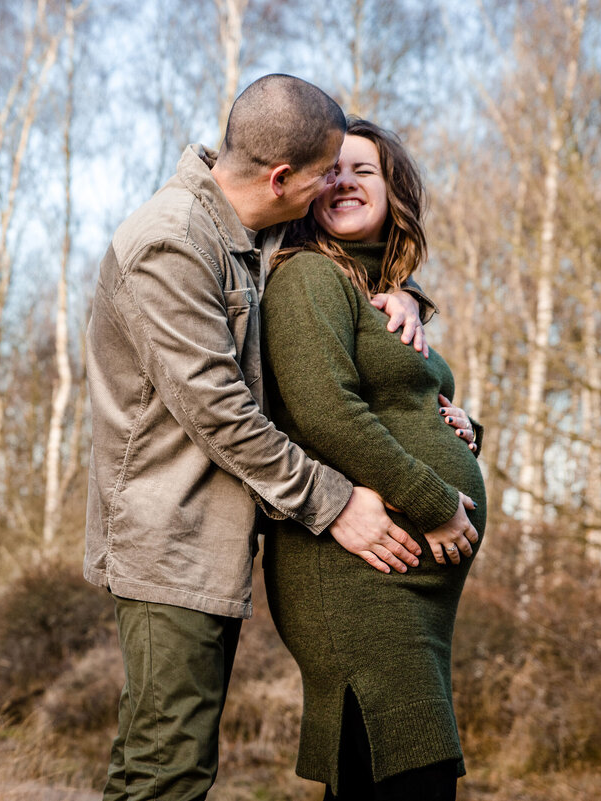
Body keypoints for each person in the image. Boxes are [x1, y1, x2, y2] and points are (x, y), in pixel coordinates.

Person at [84, 76, 438, 801]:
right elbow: (221, 413)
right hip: (169, 539)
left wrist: (405, 296)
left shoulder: (250, 226)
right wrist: (337, 504)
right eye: (321, 178)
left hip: (214, 539)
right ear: (281, 179)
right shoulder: (171, 243)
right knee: (166, 771)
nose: (329, 191)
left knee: (162, 759)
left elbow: (342, 267)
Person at [260, 118, 487, 801]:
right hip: (357, 574)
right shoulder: (306, 278)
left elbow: (399, 405)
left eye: (364, 169)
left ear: (394, 190)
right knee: (406, 774)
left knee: (389, 772)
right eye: (330, 169)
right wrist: (436, 500)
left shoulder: (376, 292)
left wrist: (462, 425)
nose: (344, 181)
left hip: (402, 586)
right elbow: (323, 411)